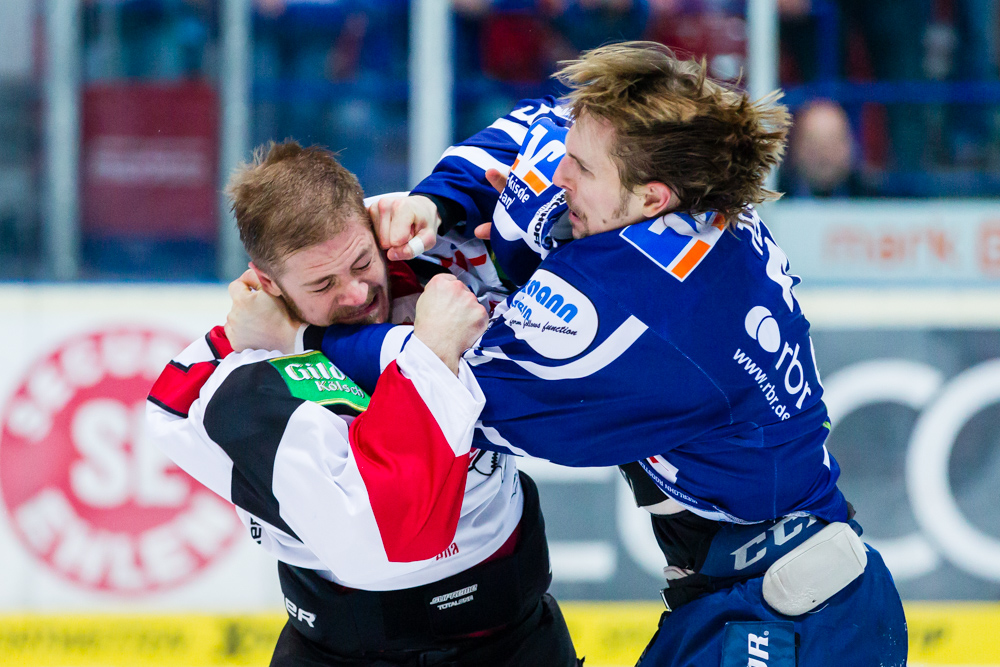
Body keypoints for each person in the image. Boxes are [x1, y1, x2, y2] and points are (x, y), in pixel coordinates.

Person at [232, 43, 907, 666]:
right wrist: (434, 204)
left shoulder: (641, 316)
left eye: (580, 169)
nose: (561, 174)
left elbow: (445, 382)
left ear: (652, 199)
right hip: (761, 595)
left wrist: (301, 337)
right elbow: (526, 135)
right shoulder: (660, 180)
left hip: (798, 622)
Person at [145, 142, 580, 667]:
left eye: (360, 263)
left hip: (514, 640)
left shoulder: (447, 266)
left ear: (375, 232)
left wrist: (440, 200)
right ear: (266, 284)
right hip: (337, 655)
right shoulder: (237, 379)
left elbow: (554, 132)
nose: (355, 294)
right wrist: (422, 350)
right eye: (323, 283)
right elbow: (380, 536)